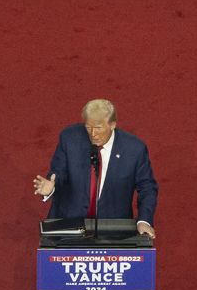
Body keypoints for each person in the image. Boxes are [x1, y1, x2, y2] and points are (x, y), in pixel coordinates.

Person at [33, 99, 157, 240]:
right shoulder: (69, 138)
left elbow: (147, 187)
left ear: (112, 125)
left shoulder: (134, 149)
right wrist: (51, 188)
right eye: (88, 127)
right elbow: (58, 172)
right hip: (69, 225)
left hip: (113, 229)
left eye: (98, 128)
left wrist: (144, 220)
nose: (93, 134)